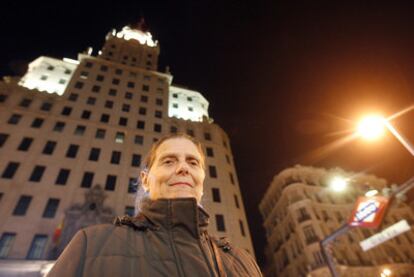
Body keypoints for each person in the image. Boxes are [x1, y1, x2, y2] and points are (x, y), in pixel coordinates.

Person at [48, 134, 262, 277]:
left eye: (192, 162)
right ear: (145, 179)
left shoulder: (242, 261)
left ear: (202, 179)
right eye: (169, 161)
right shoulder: (91, 244)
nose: (183, 168)